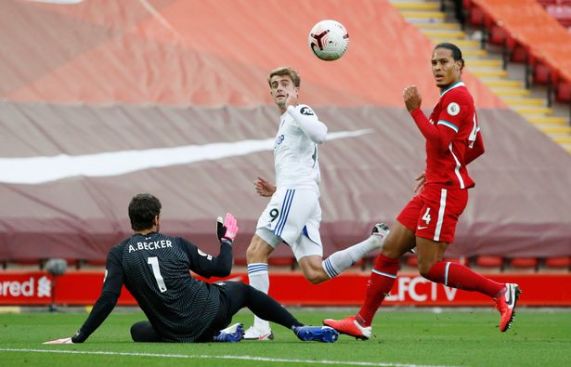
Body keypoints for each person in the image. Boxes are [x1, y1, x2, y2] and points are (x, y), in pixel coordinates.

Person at [324, 43, 521, 339]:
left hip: (444, 192)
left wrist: (415, 111)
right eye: (433, 63)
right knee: (390, 248)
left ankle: (500, 291)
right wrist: (447, 164)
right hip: (435, 186)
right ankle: (363, 321)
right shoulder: (454, 98)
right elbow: (476, 146)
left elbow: (441, 141)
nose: (438, 68)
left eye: (444, 62)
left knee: (428, 267)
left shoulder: (456, 99)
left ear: (460, 65)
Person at [44, 193, 338, 344]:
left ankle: (215, 335)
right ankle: (297, 327)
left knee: (138, 330)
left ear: (131, 221)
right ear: (157, 218)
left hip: (173, 330)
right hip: (210, 311)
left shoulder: (119, 253)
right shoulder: (176, 243)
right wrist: (226, 240)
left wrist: (79, 336)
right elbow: (223, 268)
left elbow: (107, 299)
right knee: (243, 290)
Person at [244, 66, 389, 340]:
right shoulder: (286, 121)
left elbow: (321, 134)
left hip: (296, 194)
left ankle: (261, 328)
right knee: (314, 272)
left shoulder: (300, 111)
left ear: (297, 90)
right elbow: (302, 164)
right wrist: (277, 190)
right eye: (274, 84)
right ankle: (375, 241)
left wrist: (294, 107)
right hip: (301, 195)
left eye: (285, 83)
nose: (278, 88)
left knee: (255, 252)